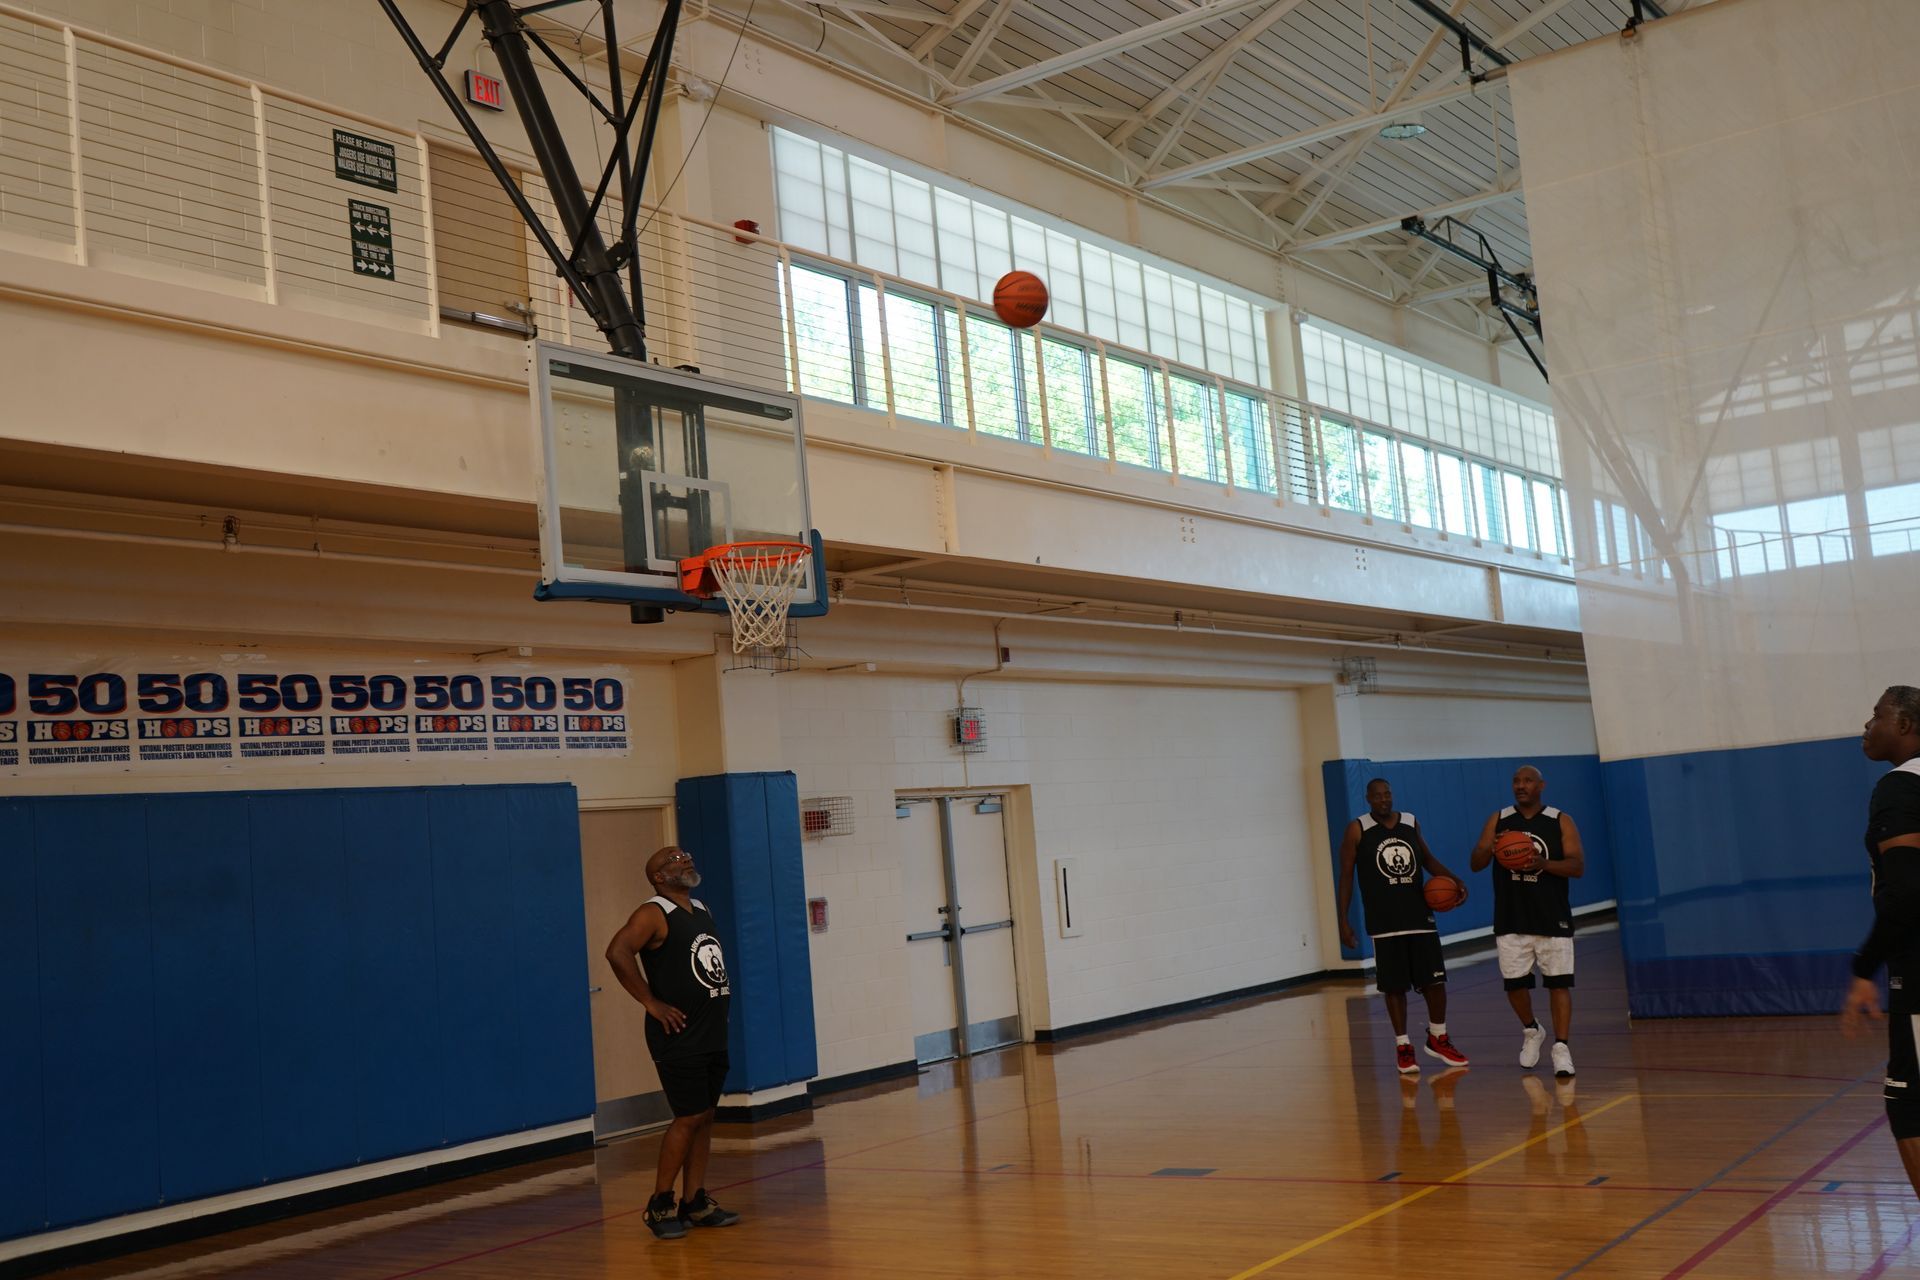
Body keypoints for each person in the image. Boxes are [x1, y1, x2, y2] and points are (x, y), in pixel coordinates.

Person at [606, 845, 742, 1240]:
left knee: (704, 1117)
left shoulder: (701, 909)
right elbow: (617, 952)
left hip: (711, 1032)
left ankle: (695, 1202)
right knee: (687, 1117)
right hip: (678, 1035)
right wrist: (650, 1001)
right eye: (674, 859)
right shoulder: (652, 913)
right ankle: (660, 1204)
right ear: (659, 877)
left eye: (686, 856)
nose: (685, 860)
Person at [1839, 685, 1920, 1195]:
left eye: (1875, 717)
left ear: (1906, 725)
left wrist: (1864, 966)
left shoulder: (1900, 786)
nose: (1866, 728)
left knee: (1909, 1106)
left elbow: (1908, 892)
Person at [1337, 777, 1471, 1075]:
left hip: (1419, 917)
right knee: (1394, 986)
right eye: (1378, 796)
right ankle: (1403, 1046)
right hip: (1385, 923)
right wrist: (1343, 920)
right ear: (1368, 799)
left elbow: (1427, 859)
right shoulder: (1357, 829)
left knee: (1435, 981)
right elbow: (1346, 876)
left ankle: (1438, 1037)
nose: (1384, 799)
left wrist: (1455, 880)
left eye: (1388, 794)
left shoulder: (1410, 822)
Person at [1471, 764, 1585, 1077]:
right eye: (1516, 781)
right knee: (1514, 986)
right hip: (1511, 917)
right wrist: (1494, 848)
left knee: (1558, 985)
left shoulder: (1561, 820)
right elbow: (1476, 863)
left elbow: (1577, 866)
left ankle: (1561, 1048)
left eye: (1527, 781)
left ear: (1541, 785)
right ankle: (1532, 1030)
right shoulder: (1499, 819)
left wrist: (1543, 862)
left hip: (1552, 915)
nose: (1521, 786)